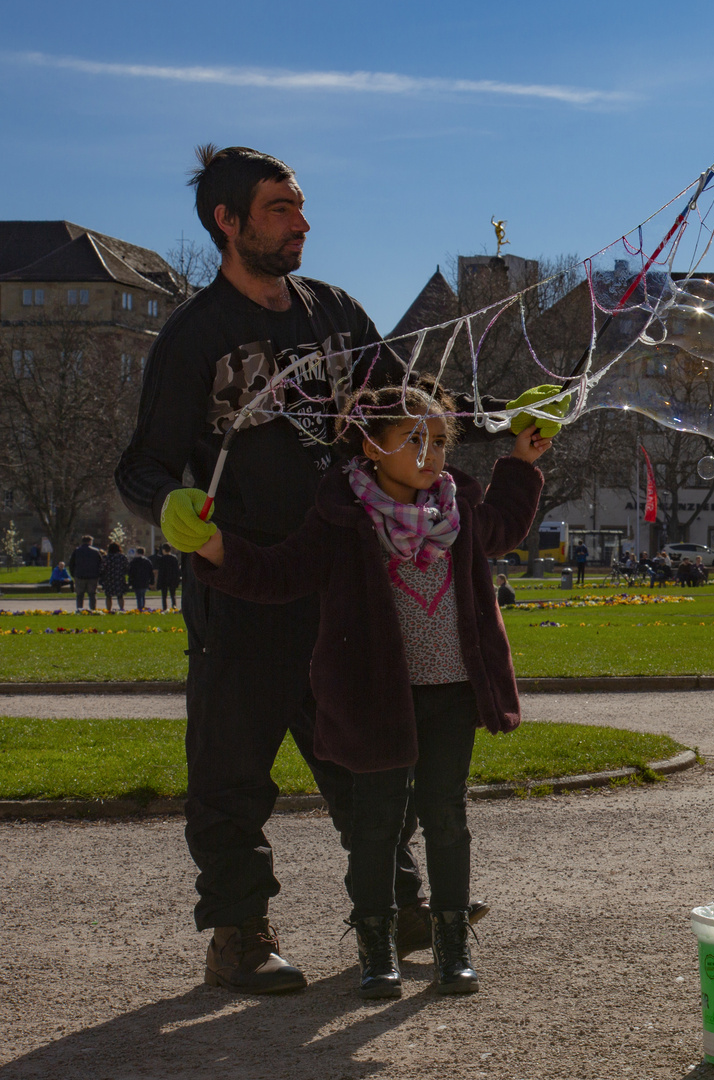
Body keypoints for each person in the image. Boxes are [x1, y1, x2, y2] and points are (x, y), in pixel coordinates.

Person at [115, 145, 559, 994]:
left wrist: (508, 423)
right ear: (229, 222)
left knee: (370, 760)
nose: (302, 222)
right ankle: (239, 933)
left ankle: (399, 910)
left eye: (301, 205)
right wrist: (171, 508)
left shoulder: (337, 313)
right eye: (281, 208)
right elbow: (143, 463)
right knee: (231, 771)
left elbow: (411, 411)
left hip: (342, 585)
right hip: (240, 585)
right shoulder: (193, 337)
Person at [184, 384, 549, 997]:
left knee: (446, 816)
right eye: (412, 439)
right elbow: (282, 573)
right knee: (378, 822)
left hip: (452, 688)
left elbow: (505, 529)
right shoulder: (341, 518)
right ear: (371, 446)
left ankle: (451, 940)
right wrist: (217, 548)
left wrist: (520, 462)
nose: (430, 453)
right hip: (376, 695)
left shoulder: (457, 507)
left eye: (437, 440)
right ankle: (377, 946)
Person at [69, 535, 102, 611]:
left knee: (80, 595)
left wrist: (73, 574)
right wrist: (99, 574)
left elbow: (71, 564)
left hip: (80, 575)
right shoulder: (95, 551)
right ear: (90, 542)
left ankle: (80, 609)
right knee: (92, 594)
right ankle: (93, 609)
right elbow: (101, 563)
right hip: (93, 576)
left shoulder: (77, 551)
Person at [101, 541, 129, 613]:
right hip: (119, 578)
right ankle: (121, 609)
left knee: (108, 596)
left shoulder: (106, 558)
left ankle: (108, 609)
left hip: (108, 578)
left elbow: (102, 568)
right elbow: (127, 568)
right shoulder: (122, 557)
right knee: (120, 595)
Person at [154, 545, 183, 610]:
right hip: (172, 579)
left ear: (163, 550)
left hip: (164, 579)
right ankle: (174, 606)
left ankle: (164, 607)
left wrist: (159, 582)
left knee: (164, 595)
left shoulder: (162, 559)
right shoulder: (174, 558)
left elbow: (161, 571)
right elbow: (176, 570)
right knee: (173, 594)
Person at [128, 546, 156, 611]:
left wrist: (130, 581)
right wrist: (152, 581)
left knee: (138, 595)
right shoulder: (147, 561)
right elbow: (151, 572)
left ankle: (139, 607)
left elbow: (130, 572)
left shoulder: (133, 562)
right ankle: (142, 607)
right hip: (145, 580)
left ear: (137, 552)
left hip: (136, 581)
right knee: (142, 595)